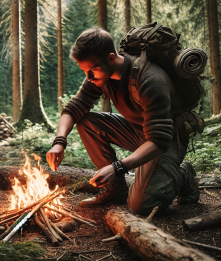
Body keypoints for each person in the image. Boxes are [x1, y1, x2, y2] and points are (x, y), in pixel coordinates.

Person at [46, 27, 200, 216]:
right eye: (85, 71)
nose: (88, 77)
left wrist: (117, 167)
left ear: (111, 58)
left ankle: (183, 175)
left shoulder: (150, 79)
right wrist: (59, 142)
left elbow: (159, 140)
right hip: (139, 132)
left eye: (92, 70)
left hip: (167, 140)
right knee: (86, 122)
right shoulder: (99, 75)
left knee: (142, 206)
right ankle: (115, 189)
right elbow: (73, 109)